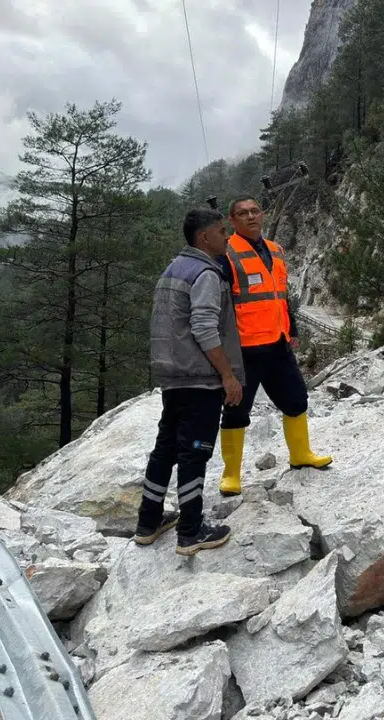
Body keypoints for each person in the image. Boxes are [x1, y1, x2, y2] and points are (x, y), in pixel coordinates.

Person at [133, 207, 245, 555]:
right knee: (195, 452)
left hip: (172, 375)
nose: (227, 236)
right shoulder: (206, 274)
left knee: (166, 447)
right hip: (199, 378)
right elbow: (204, 327)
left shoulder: (173, 269)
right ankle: (191, 531)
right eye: (222, 230)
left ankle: (148, 522)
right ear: (204, 237)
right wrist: (228, 375)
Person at [217, 195, 332, 496]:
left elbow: (280, 294)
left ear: (263, 215)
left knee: (296, 399)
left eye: (255, 211)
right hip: (243, 349)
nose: (250, 216)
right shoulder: (225, 254)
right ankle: (231, 475)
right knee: (236, 409)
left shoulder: (276, 251)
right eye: (242, 213)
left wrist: (291, 326)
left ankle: (300, 454)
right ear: (232, 221)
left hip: (278, 342)